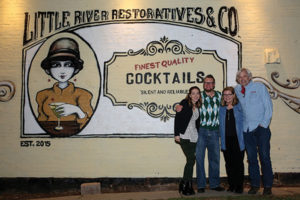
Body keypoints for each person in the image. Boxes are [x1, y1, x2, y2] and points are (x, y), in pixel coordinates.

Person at [176, 74, 224, 193]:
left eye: (210, 82)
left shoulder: (220, 96)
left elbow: (229, 104)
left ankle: (214, 184)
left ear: (214, 84)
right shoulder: (199, 96)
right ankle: (201, 185)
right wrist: (177, 106)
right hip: (201, 131)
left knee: (215, 159)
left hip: (214, 131)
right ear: (204, 84)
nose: (208, 85)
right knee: (199, 158)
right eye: (206, 83)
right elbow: (183, 103)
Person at [36, 37, 93, 135]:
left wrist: (77, 110)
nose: (62, 71)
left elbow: (91, 125)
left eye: (68, 65)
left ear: (75, 69)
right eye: (56, 65)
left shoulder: (83, 94)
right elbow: (40, 122)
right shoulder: (42, 95)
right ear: (48, 69)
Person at [235, 68, 273, 195]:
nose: (242, 79)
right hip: (247, 130)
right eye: (240, 77)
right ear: (238, 79)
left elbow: (268, 106)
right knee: (251, 159)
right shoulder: (237, 90)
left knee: (265, 157)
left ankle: (267, 186)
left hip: (261, 128)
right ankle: (255, 185)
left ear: (249, 77)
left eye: (245, 76)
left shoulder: (259, 87)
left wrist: (264, 125)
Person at [174, 86, 202, 196]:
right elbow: (178, 118)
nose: (195, 95)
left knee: (191, 160)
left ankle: (185, 184)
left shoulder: (198, 106)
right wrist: (176, 134)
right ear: (189, 95)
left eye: (197, 93)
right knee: (191, 159)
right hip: (184, 135)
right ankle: (186, 185)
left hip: (194, 136)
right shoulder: (184, 103)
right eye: (193, 93)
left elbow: (197, 123)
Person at [219, 87, 245, 193]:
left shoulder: (239, 107)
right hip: (226, 140)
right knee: (229, 164)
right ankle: (232, 185)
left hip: (238, 140)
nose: (227, 97)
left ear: (234, 95)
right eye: (225, 95)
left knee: (238, 163)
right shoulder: (221, 108)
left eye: (229, 94)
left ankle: (239, 186)